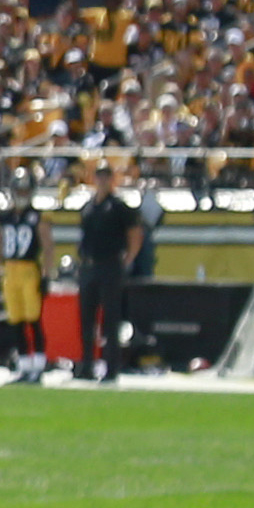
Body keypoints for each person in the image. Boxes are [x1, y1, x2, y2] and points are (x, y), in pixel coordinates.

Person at [75, 162, 147, 382]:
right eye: (99, 176)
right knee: (86, 318)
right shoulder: (88, 206)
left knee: (110, 318)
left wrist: (129, 257)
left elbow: (136, 232)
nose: (103, 180)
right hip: (89, 265)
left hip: (109, 264)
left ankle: (111, 367)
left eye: (107, 176)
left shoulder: (118, 206)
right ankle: (87, 364)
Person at [0, 177, 48, 381]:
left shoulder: (37, 216)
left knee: (33, 319)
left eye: (26, 190)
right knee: (16, 320)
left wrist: (47, 274)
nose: (22, 194)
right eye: (19, 189)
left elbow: (47, 245)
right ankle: (24, 366)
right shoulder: (4, 215)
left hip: (29, 268)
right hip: (10, 269)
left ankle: (39, 366)